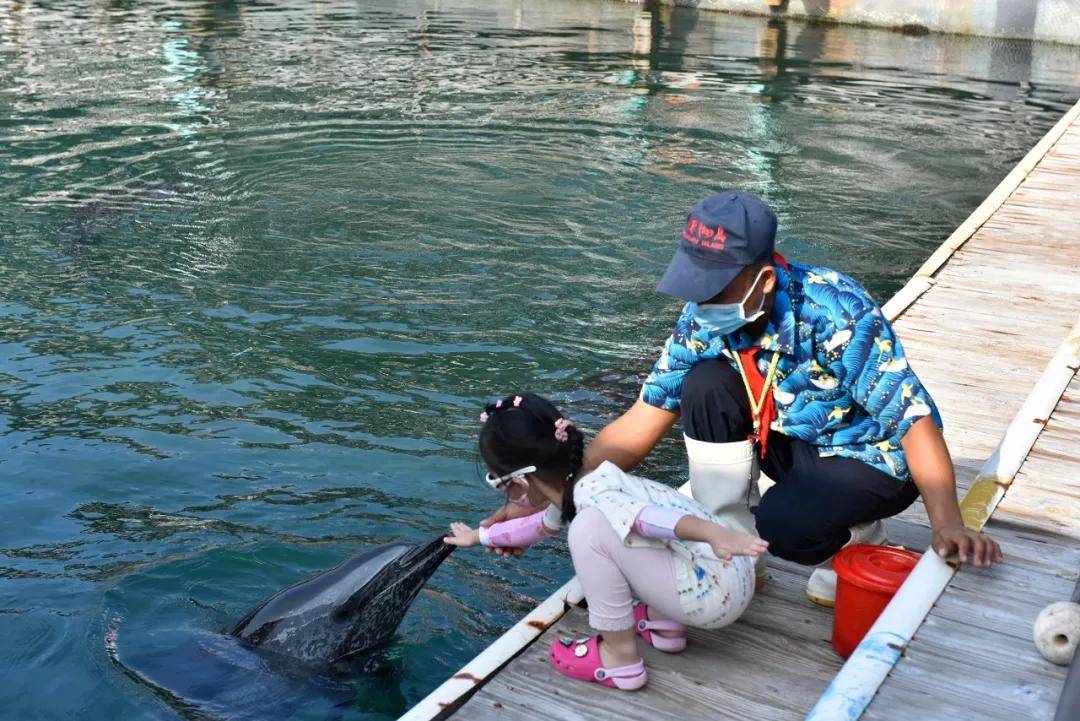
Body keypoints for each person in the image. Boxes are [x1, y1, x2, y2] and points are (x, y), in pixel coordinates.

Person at [485, 191, 1003, 607]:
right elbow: (640, 423)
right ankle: (730, 545)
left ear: (764, 280)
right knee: (703, 383)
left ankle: (856, 533)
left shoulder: (835, 310)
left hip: (869, 459)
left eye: (714, 291)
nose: (701, 304)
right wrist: (548, 490)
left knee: (783, 525)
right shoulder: (703, 319)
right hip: (785, 442)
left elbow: (913, 422)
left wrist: (947, 523)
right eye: (695, 288)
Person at [445, 393, 768, 691]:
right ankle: (663, 626)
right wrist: (479, 537)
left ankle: (619, 659)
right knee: (620, 533)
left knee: (589, 532)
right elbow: (539, 526)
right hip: (731, 577)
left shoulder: (594, 502)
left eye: (497, 482)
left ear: (518, 481)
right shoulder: (596, 479)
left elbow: (649, 519)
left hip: (714, 596)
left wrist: (714, 534)